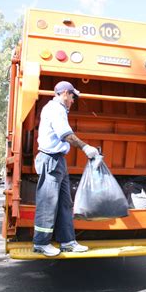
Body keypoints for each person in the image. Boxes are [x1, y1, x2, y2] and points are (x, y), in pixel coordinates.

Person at [33, 81, 100, 257]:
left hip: (58, 161)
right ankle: (41, 243)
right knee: (48, 203)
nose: (73, 100)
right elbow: (65, 134)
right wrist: (85, 147)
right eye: (72, 96)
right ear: (64, 93)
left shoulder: (59, 109)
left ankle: (68, 242)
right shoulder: (55, 109)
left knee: (65, 203)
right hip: (50, 159)